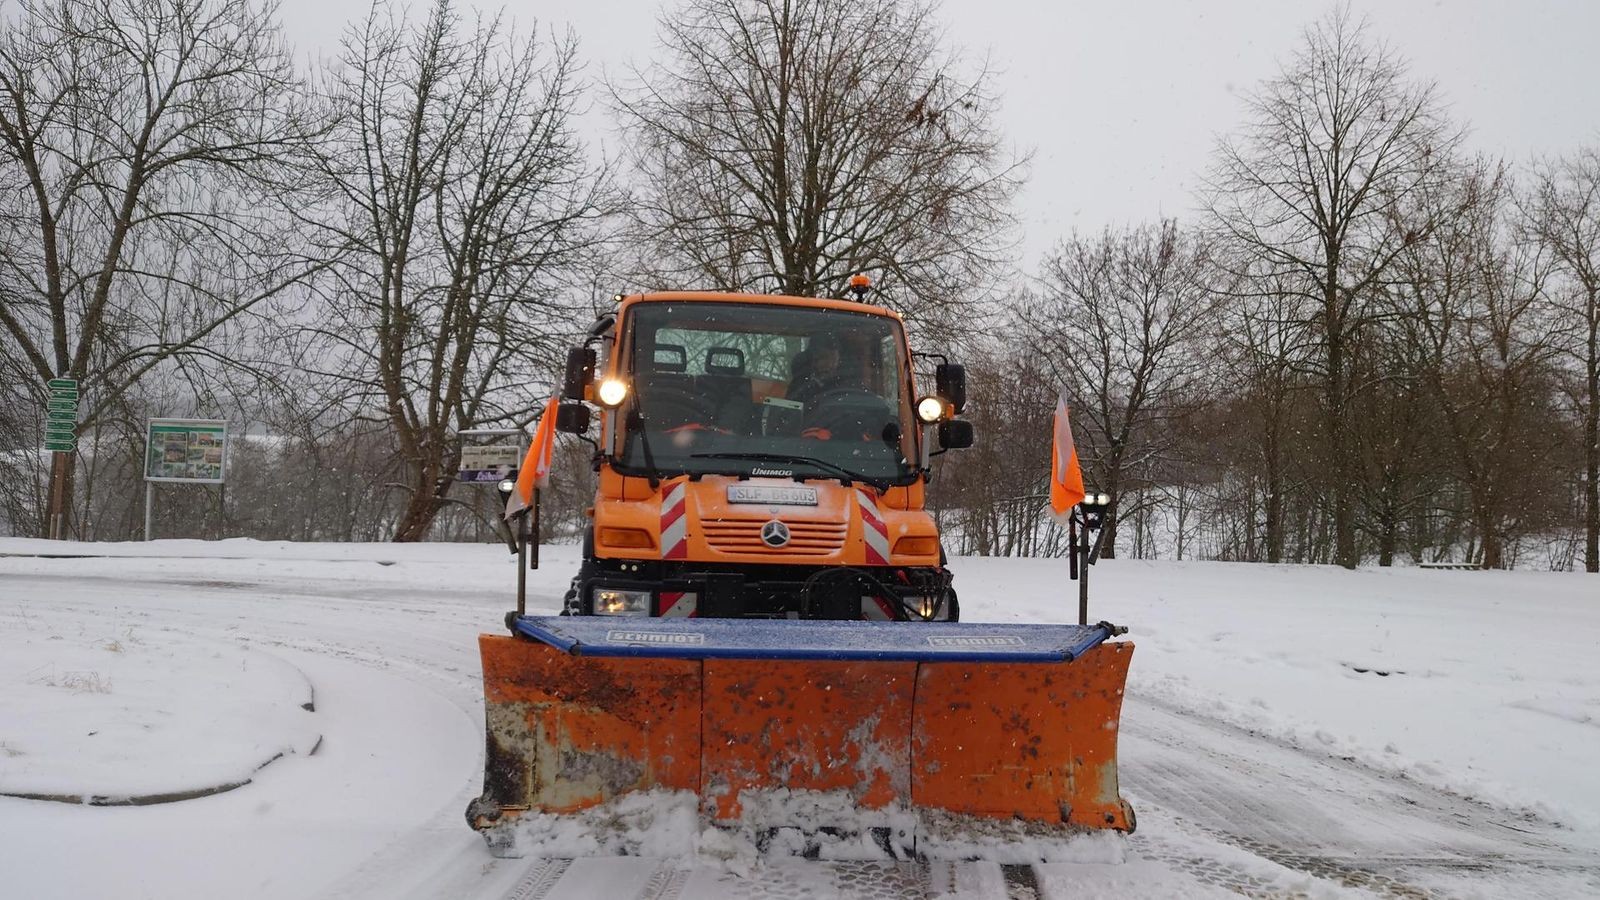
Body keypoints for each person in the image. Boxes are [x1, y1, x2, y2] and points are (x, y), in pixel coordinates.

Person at [787, 333, 841, 406]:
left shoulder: (842, 386)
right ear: (813, 358)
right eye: (824, 357)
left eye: (834, 359)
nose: (830, 365)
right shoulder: (801, 387)